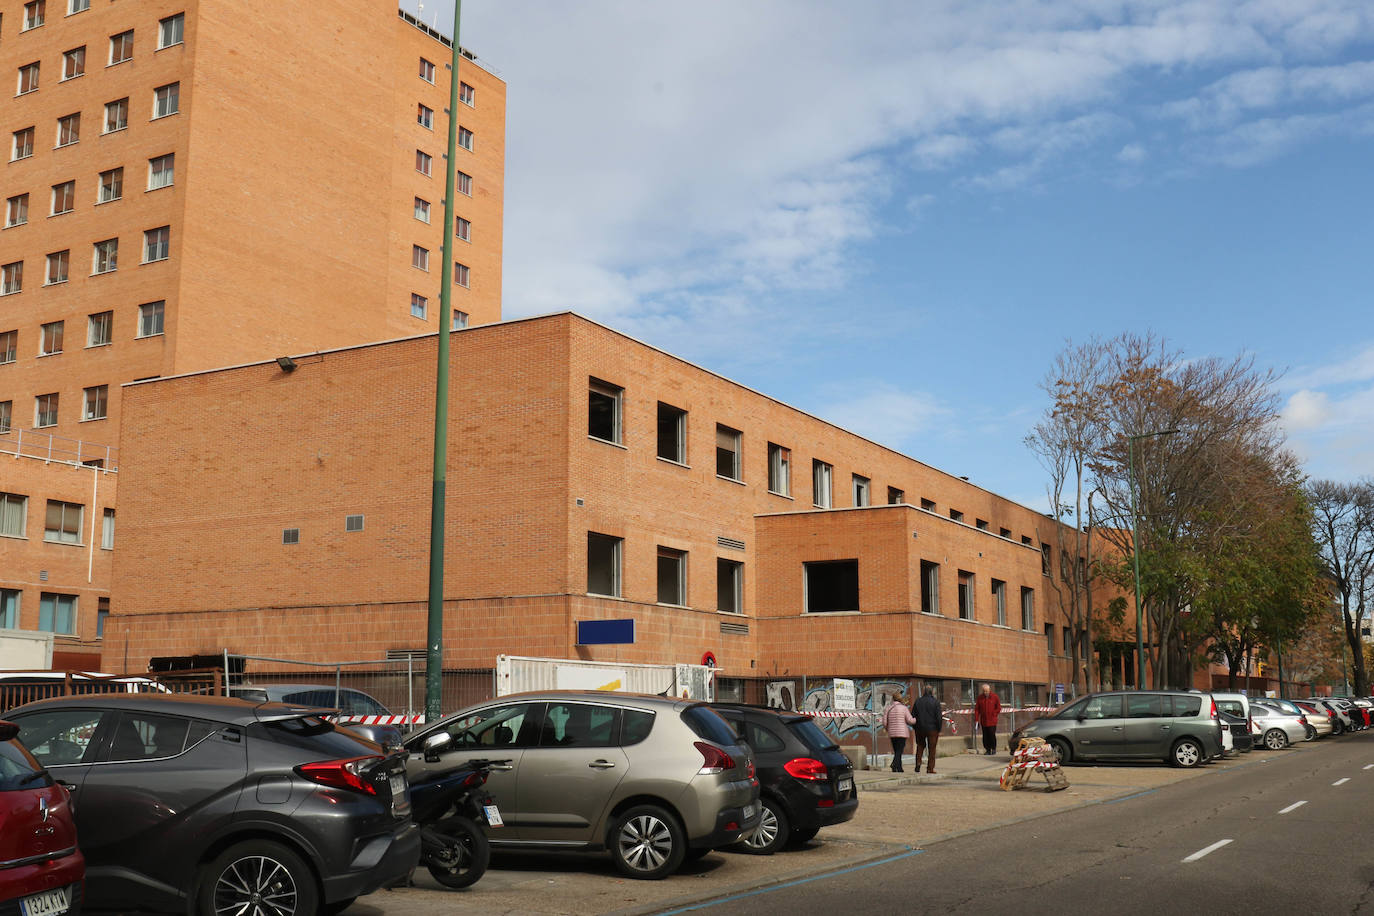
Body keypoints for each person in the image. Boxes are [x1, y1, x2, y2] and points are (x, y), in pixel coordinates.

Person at [883, 693, 917, 772]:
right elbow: (910, 720)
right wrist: (917, 719)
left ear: (893, 699)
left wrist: (888, 728)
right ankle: (894, 764)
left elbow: (884, 722)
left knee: (896, 750)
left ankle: (898, 768)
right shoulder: (904, 708)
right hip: (902, 732)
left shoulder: (888, 708)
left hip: (892, 733)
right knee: (899, 751)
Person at [913, 685, 943, 774]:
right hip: (932, 729)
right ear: (932, 692)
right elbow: (939, 717)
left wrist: (915, 727)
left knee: (920, 746)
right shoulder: (935, 702)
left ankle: (918, 763)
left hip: (919, 728)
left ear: (924, 691)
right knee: (932, 748)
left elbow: (913, 715)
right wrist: (939, 728)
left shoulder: (918, 701)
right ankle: (930, 768)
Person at [974, 682, 1002, 755]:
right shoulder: (980, 698)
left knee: (992, 735)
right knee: (985, 736)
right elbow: (977, 709)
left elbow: (998, 708)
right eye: (984, 691)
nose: (985, 692)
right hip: (984, 720)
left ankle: (994, 748)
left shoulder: (995, 697)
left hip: (992, 720)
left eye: (986, 691)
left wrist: (994, 714)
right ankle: (988, 749)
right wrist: (977, 720)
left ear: (989, 690)